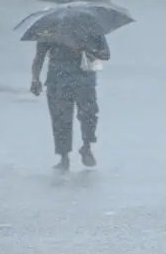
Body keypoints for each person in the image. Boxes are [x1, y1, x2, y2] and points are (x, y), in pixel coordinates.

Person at [30, 36, 110, 171]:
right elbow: (39, 56)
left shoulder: (91, 30)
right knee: (61, 120)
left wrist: (86, 49)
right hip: (58, 82)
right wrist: (35, 79)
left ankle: (86, 146)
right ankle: (64, 156)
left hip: (83, 80)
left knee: (88, 116)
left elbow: (106, 54)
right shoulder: (51, 30)